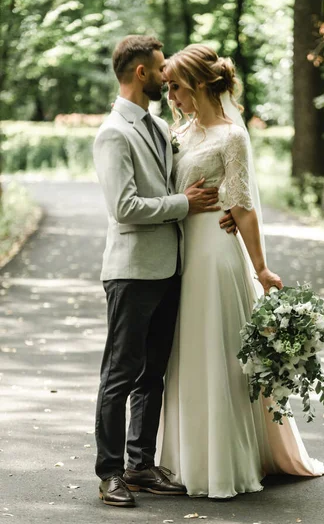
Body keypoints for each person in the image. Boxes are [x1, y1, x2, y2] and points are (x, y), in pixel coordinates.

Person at [155, 44, 324, 499]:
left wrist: (261, 268)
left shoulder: (231, 137)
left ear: (199, 84)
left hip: (216, 255)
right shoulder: (181, 131)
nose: (171, 95)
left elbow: (243, 207)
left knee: (219, 350)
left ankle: (226, 462)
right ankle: (188, 459)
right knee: (189, 354)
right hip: (182, 252)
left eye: (176, 86)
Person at [93, 35, 236, 507]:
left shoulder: (159, 126)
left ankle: (140, 465)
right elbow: (124, 206)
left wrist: (224, 208)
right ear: (141, 74)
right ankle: (110, 472)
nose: (166, 76)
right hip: (132, 271)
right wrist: (184, 204)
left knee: (153, 373)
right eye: (160, 70)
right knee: (121, 373)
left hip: (172, 267)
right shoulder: (113, 132)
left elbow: (196, 176)